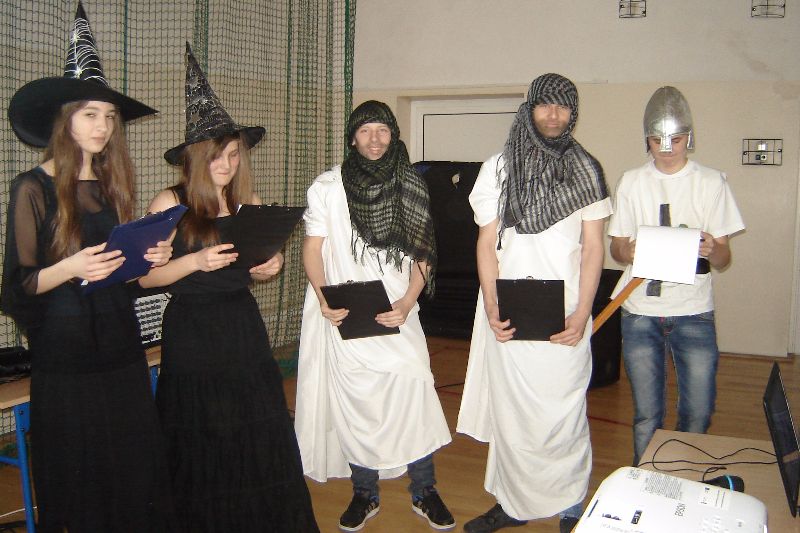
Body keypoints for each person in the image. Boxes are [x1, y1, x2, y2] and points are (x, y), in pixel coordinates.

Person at [1, 3, 174, 531]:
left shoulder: (113, 187)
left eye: (109, 116)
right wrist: (71, 266)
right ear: (65, 119)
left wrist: (148, 261)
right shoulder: (32, 188)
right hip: (65, 352)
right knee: (78, 474)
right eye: (90, 114)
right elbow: (18, 285)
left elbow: (125, 278)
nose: (102, 126)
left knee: (130, 466)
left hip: (120, 346)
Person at [138, 44, 319, 533]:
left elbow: (258, 264)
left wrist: (271, 266)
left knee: (252, 424)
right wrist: (194, 261)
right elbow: (146, 278)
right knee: (201, 430)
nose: (227, 164)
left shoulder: (247, 199)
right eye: (217, 155)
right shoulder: (169, 202)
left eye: (234, 154)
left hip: (240, 325)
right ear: (197, 157)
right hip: (192, 330)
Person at [457, 73, 611, 533]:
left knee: (564, 411)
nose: (553, 114)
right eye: (545, 104)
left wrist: (582, 313)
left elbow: (593, 249)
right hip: (510, 309)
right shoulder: (499, 168)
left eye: (563, 106)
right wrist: (491, 306)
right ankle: (513, 503)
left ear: (573, 113)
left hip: (565, 310)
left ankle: (571, 505)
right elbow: (486, 244)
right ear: (530, 108)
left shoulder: (586, 169)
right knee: (513, 414)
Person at [295, 100, 455, 532]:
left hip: (398, 310)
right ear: (352, 137)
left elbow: (423, 252)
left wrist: (407, 302)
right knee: (357, 404)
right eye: (365, 130)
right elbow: (312, 248)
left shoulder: (410, 184)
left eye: (382, 130)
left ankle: (424, 489)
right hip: (347, 312)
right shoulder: (328, 186)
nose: (374, 139)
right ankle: (364, 492)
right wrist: (324, 299)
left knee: (415, 395)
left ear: (393, 135)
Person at [607, 86, 745, 466]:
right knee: (646, 415)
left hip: (693, 311)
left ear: (689, 137)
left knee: (698, 411)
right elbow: (617, 248)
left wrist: (712, 249)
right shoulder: (632, 181)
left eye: (676, 140)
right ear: (646, 139)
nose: (666, 148)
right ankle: (646, 484)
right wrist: (627, 251)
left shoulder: (711, 182)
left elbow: (724, 258)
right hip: (641, 311)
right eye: (657, 140)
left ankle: (685, 478)